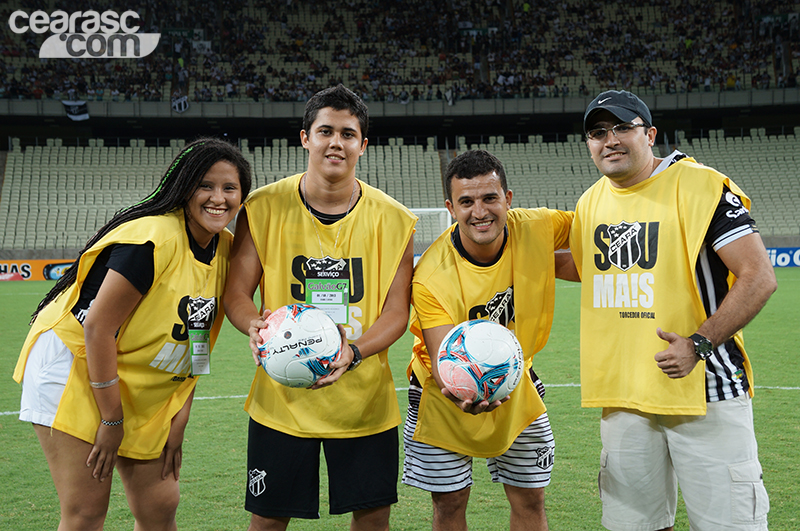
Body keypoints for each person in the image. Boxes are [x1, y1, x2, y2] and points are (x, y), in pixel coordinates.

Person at [13, 137, 252, 530]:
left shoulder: (226, 249)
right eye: (205, 185)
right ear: (182, 187)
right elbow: (97, 328)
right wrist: (110, 422)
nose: (218, 198)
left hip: (135, 377)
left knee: (159, 506)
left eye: (230, 188)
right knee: (86, 510)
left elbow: (197, 336)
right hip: (74, 366)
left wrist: (180, 414)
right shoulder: (152, 240)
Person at [569, 90, 776, 530]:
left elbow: (759, 275)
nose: (610, 140)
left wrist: (699, 344)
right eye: (598, 133)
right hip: (625, 399)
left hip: (705, 393)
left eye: (623, 127)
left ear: (650, 133)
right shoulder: (590, 203)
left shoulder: (701, 186)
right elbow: (579, 265)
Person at [223, 84, 416, 531]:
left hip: (364, 403)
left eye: (348, 134)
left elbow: (396, 313)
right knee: (268, 522)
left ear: (363, 146)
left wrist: (355, 353)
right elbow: (236, 292)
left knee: (372, 522)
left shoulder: (395, 219)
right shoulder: (262, 207)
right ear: (305, 137)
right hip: (281, 400)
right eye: (325, 131)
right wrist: (253, 324)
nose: (336, 142)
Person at [403, 150, 574, 531]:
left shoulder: (540, 226)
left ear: (508, 199)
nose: (479, 211)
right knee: (450, 502)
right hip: (442, 392)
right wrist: (465, 392)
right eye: (466, 201)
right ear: (450, 207)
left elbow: (601, 231)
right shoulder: (431, 275)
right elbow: (443, 359)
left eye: (489, 198)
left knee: (530, 495)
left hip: (517, 380)